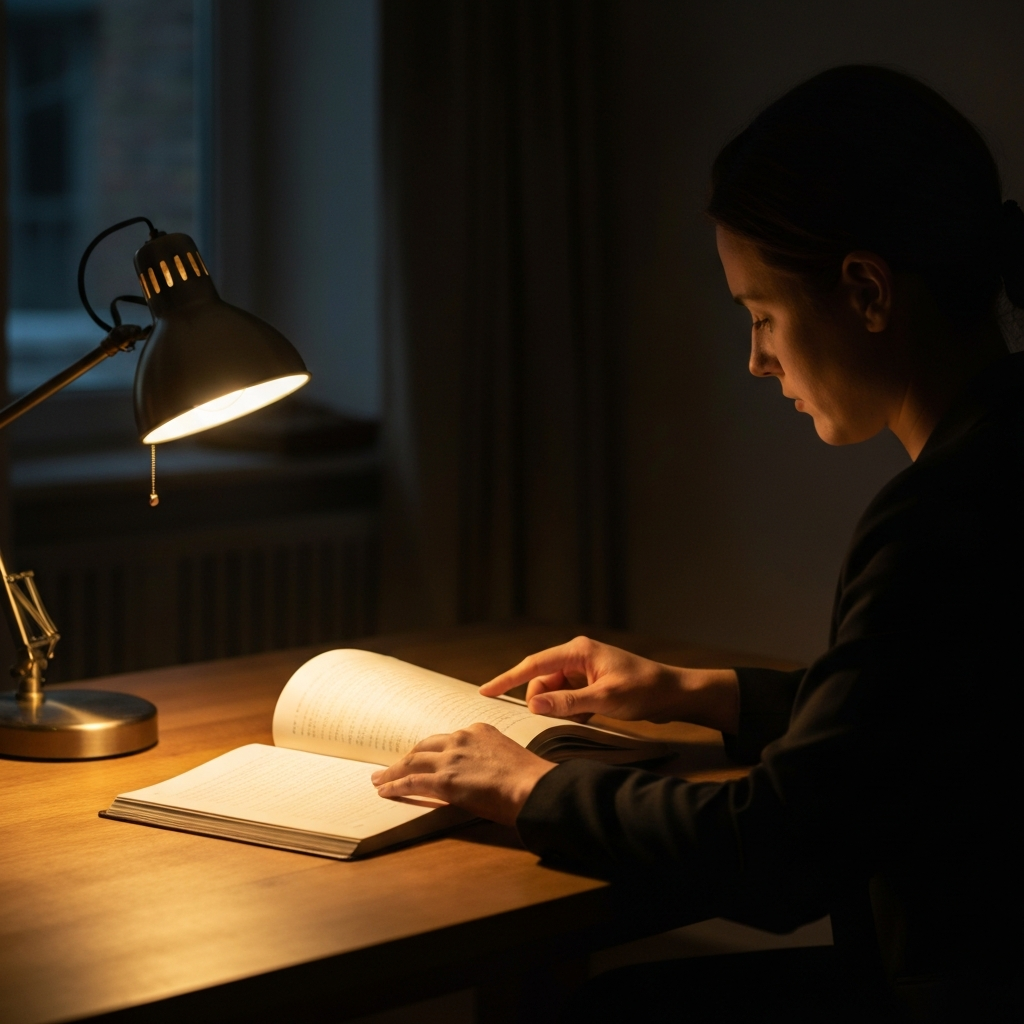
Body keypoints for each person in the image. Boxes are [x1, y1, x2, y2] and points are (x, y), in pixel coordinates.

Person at [372, 66, 1024, 1021]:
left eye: (761, 317)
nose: (756, 359)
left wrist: (530, 787)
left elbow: (781, 849)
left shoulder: (939, 516)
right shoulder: (999, 456)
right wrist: (691, 691)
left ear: (867, 291)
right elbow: (926, 714)